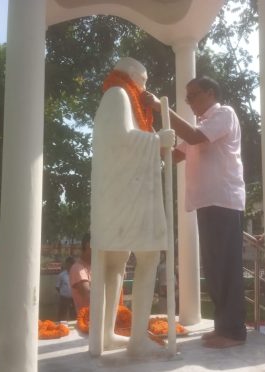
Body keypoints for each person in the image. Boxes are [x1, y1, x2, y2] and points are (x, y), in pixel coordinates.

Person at [145, 76, 246, 348]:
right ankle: (223, 326)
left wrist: (160, 108)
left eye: (193, 95)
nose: (189, 101)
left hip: (224, 201)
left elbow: (192, 137)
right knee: (214, 269)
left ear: (211, 93)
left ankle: (235, 332)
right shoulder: (200, 125)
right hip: (207, 203)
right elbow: (174, 154)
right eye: (187, 97)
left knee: (226, 268)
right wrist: (148, 134)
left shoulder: (224, 114)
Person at [90, 57, 175, 357]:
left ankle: (109, 334)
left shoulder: (121, 97)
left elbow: (126, 139)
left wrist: (154, 140)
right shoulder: (118, 95)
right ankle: (134, 339)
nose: (146, 86)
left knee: (118, 264)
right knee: (145, 258)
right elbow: (120, 140)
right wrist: (157, 141)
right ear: (135, 74)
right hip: (125, 197)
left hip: (126, 195)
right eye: (145, 79)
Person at [69, 234, 91, 313]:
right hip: (87, 321)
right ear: (88, 245)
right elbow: (89, 297)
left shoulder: (96, 267)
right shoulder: (77, 269)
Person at [56, 256, 75, 321]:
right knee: (62, 315)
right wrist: (63, 294)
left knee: (73, 314)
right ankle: (60, 327)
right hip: (64, 298)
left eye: (71, 264)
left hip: (74, 298)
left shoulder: (76, 274)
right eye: (67, 264)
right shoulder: (61, 275)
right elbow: (57, 287)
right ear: (66, 264)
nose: (69, 266)